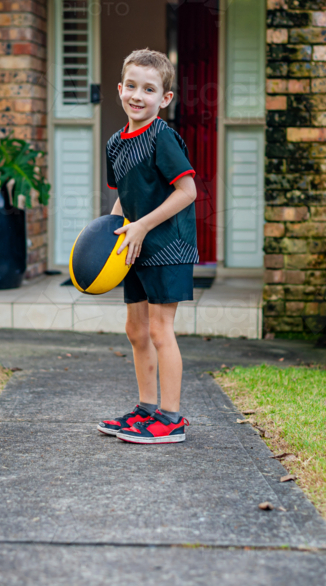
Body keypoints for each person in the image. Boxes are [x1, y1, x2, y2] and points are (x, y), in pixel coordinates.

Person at [95, 48, 198, 445]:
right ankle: (146, 409)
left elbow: (186, 192)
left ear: (165, 98)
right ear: (120, 89)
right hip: (134, 247)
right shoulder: (115, 143)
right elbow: (123, 197)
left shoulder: (163, 137)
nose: (139, 96)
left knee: (159, 330)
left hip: (167, 246)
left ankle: (171, 420)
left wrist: (141, 226)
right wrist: (112, 236)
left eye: (149, 89)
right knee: (135, 329)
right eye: (132, 86)